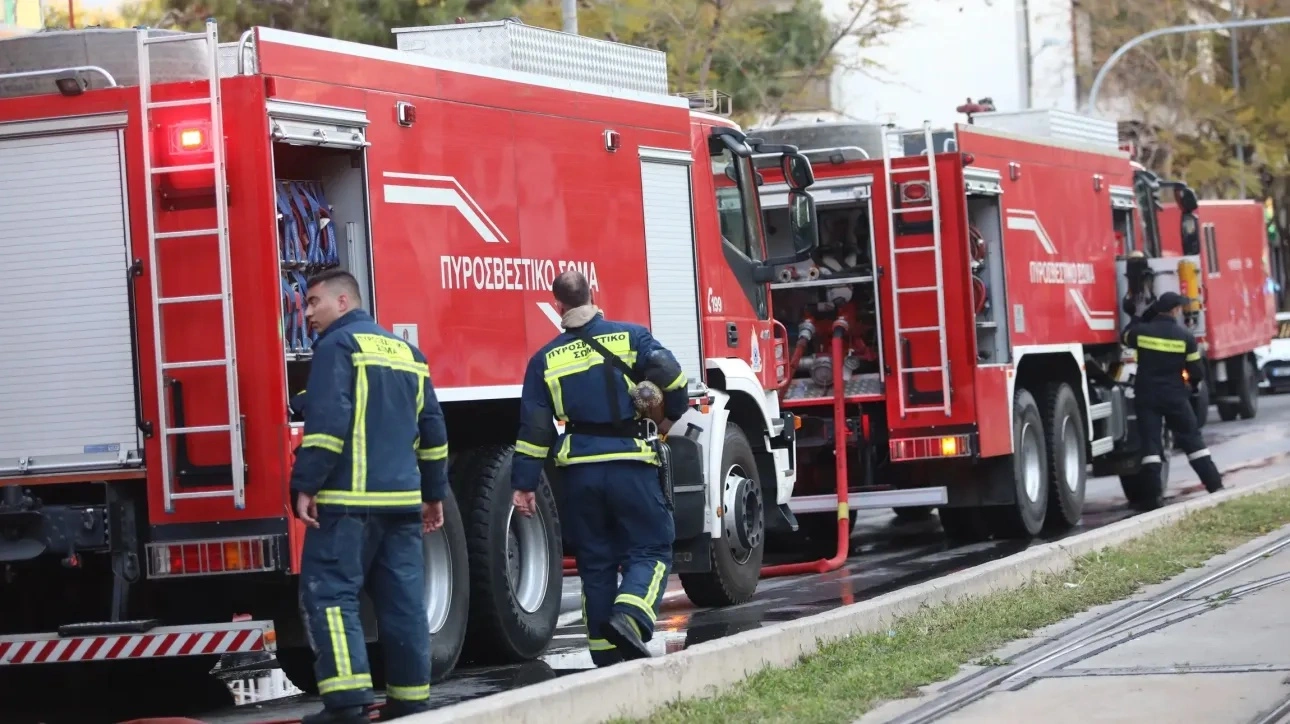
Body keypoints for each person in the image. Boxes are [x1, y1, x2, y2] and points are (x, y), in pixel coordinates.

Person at [288, 269, 449, 724]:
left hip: (347, 504)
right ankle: (411, 700)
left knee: (332, 597)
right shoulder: (408, 353)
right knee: (403, 603)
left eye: (314, 302)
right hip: (400, 506)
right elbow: (433, 431)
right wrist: (433, 492)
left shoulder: (337, 349)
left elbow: (328, 425)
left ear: (343, 302)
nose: (308, 313)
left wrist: (305, 485)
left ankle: (347, 704)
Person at [511, 270, 688, 666]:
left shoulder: (544, 360)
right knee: (653, 547)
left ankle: (606, 658)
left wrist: (523, 484)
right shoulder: (631, 337)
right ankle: (631, 616)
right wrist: (667, 417)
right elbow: (672, 376)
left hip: (580, 474)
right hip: (630, 462)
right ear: (593, 295)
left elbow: (535, 430)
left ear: (558, 306)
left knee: (596, 561)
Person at [1122, 290, 1224, 510]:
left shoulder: (1142, 332)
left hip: (1147, 396)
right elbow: (1196, 372)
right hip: (1175, 396)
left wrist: (1140, 315)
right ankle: (1215, 486)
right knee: (1193, 442)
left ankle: (1152, 500)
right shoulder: (1185, 336)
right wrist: (1188, 388)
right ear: (1176, 310)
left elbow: (1125, 336)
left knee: (1150, 447)